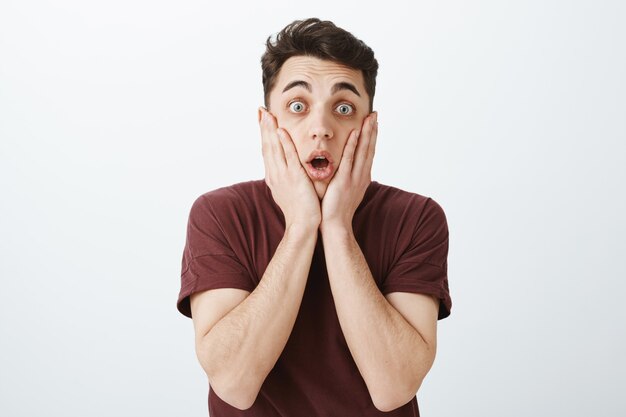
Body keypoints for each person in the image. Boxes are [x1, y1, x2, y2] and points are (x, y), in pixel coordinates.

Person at [176, 17, 452, 417]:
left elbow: (393, 387)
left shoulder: (416, 218)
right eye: (297, 106)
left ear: (369, 127)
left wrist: (337, 227)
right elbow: (234, 383)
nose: (320, 128)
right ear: (267, 124)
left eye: (343, 108)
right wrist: (303, 225)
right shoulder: (220, 215)